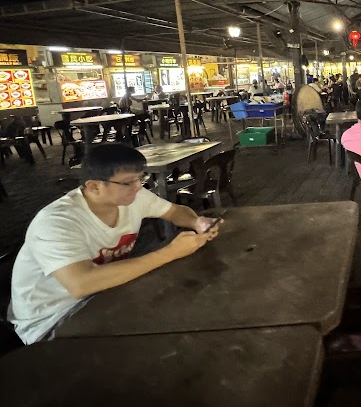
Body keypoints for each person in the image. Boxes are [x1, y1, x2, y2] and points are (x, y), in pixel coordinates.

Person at [7, 143, 223, 345]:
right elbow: (82, 284)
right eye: (129, 182)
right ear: (94, 186)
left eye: (141, 178)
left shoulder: (132, 197)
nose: (139, 187)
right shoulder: (57, 222)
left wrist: (196, 221)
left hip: (107, 296)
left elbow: (174, 211)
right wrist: (170, 253)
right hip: (53, 319)